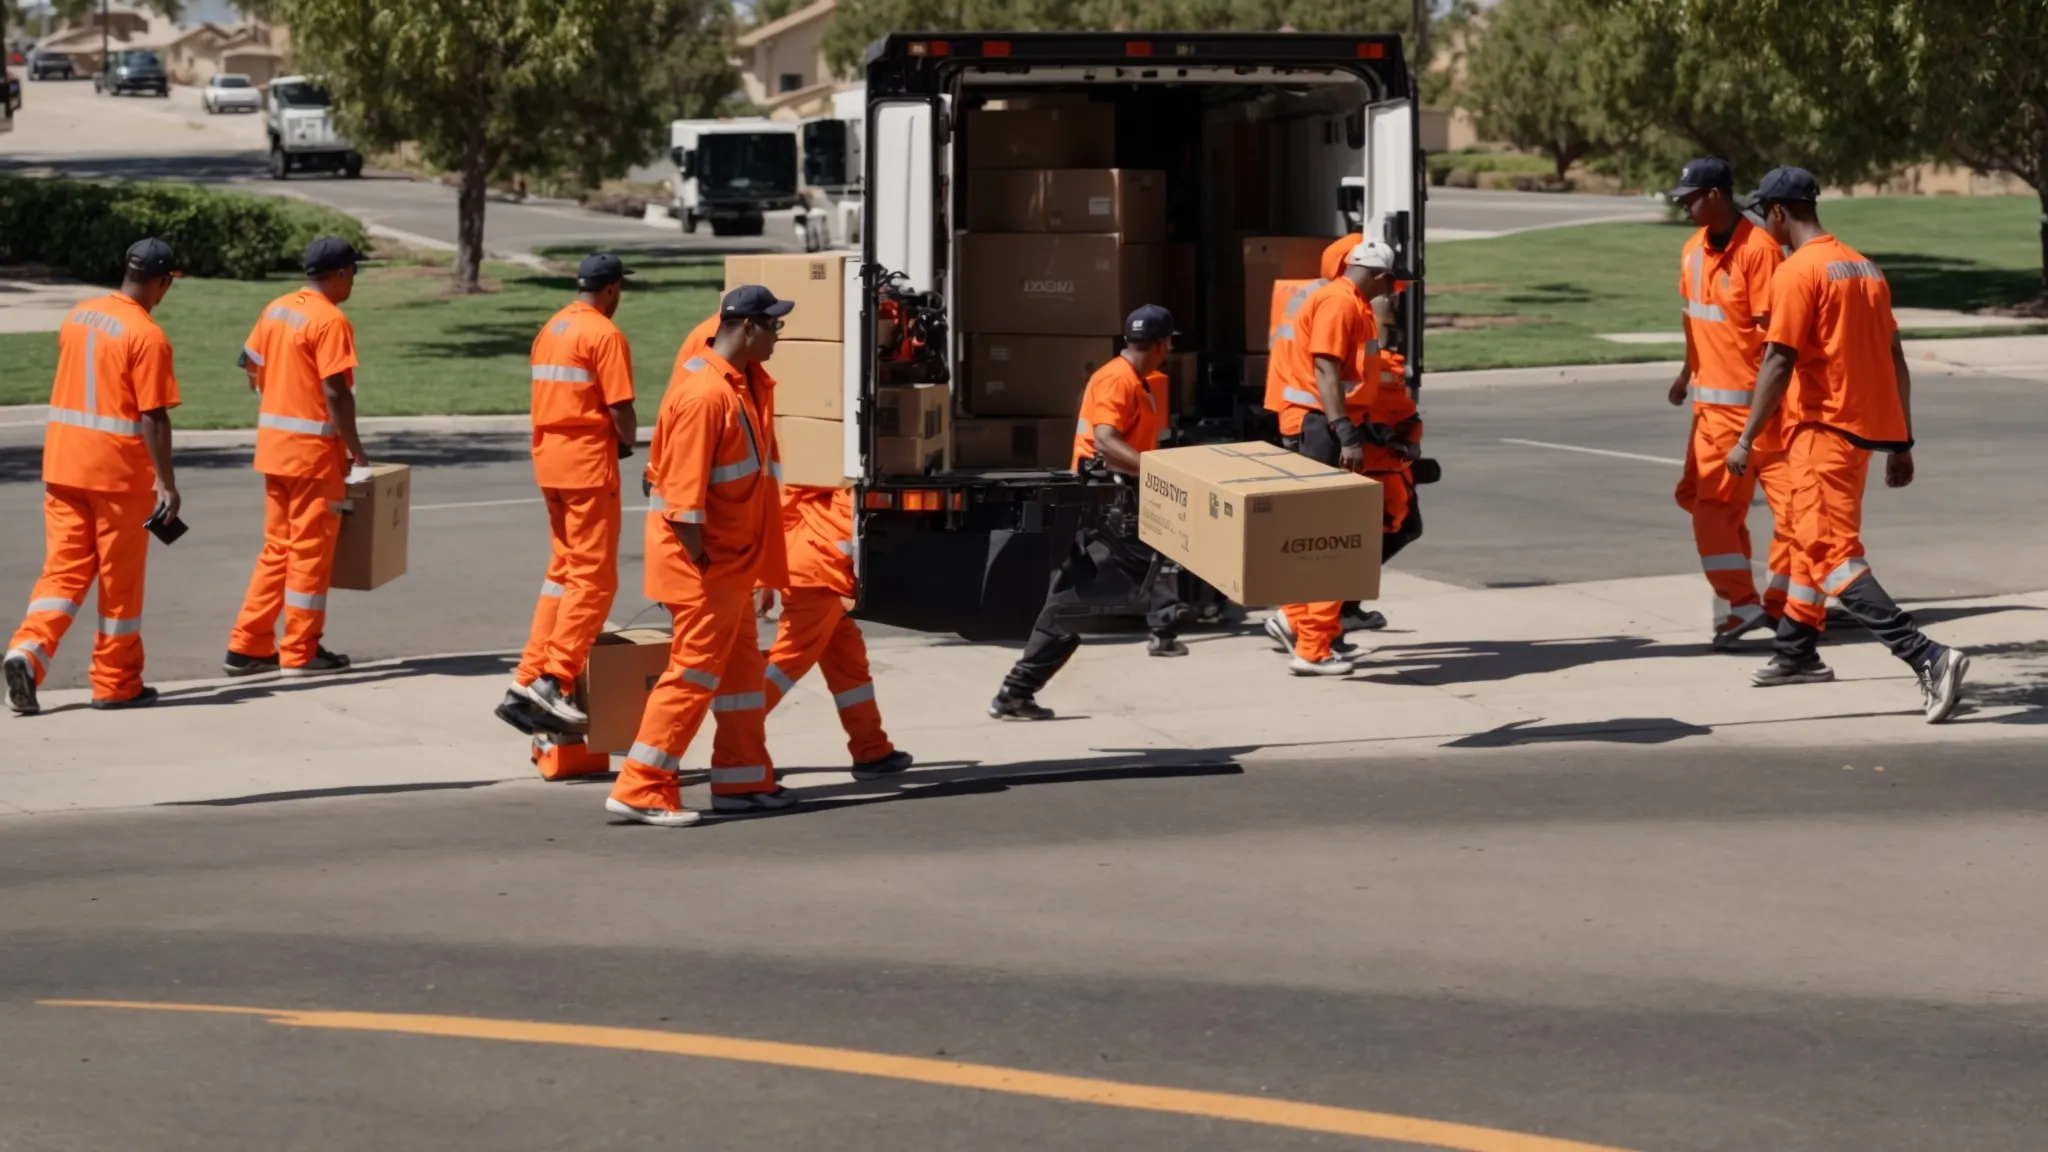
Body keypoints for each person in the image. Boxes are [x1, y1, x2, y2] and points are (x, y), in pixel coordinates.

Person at [1727, 167, 1969, 721]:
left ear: (1780, 213)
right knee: (1813, 540)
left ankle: (1927, 656)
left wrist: (1746, 438)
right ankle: (1796, 650)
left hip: (1821, 432)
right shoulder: (1864, 267)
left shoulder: (1796, 273)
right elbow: (1895, 360)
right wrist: (1902, 441)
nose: (1764, 224)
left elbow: (1779, 359)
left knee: (1833, 555)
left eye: (1764, 214)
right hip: (1861, 437)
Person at [606, 285, 793, 826]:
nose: (780, 336)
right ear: (748, 329)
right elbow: (682, 505)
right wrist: (707, 564)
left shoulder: (742, 386)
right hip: (705, 566)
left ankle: (740, 779)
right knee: (692, 675)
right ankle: (642, 785)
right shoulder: (706, 396)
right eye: (774, 326)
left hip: (730, 563)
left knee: (739, 677)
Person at [4, 239, 183, 715]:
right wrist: (166, 483)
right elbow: (154, 417)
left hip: (64, 468)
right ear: (162, 282)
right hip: (117, 479)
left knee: (62, 572)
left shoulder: (80, 316)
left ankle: (26, 653)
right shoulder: (147, 336)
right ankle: (116, 683)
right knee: (118, 585)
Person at [989, 305, 1188, 721]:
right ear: (1159, 344)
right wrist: (1159, 473)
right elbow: (1105, 441)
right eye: (1168, 343)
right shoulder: (1120, 379)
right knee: (1076, 600)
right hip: (1105, 507)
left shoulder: (1131, 378)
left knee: (1076, 598)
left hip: (1110, 502)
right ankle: (1016, 690)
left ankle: (1016, 691)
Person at [495, 253, 637, 780]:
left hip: (550, 463)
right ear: (613, 289)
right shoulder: (603, 334)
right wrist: (625, 440)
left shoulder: (551, 328)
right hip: (585, 467)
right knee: (595, 579)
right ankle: (553, 679)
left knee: (562, 574)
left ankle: (526, 680)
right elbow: (621, 408)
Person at [223, 236, 370, 678]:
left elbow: (250, 364)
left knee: (277, 549)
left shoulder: (277, 308)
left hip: (274, 448)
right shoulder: (330, 321)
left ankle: (247, 644)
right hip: (312, 456)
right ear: (341, 273)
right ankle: (301, 650)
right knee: (309, 553)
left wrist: (279, 399)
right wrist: (355, 451)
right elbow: (335, 391)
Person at [1665, 158, 1797, 647]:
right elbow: (1696, 322)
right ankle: (1747, 604)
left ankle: (1778, 607)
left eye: (1689, 198)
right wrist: (1685, 374)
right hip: (1714, 415)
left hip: (1765, 414)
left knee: (1791, 514)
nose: (1683, 207)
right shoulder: (1691, 252)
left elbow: (1775, 343)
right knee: (1709, 507)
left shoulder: (1760, 251)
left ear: (1716, 196)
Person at [1265, 240, 1399, 675]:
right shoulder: (1340, 304)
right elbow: (1326, 371)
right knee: (1330, 536)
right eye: (1390, 282)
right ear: (1378, 276)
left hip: (1319, 424)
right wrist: (1346, 433)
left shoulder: (1346, 301)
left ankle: (1299, 622)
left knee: (1316, 532)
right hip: (1321, 426)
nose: (1390, 291)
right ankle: (1313, 646)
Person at [759, 485, 914, 778]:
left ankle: (872, 750)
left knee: (848, 666)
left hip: (819, 578)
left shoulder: (826, 482)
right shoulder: (837, 482)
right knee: (785, 665)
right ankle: (736, 744)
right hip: (818, 580)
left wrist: (770, 576)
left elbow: (785, 511)